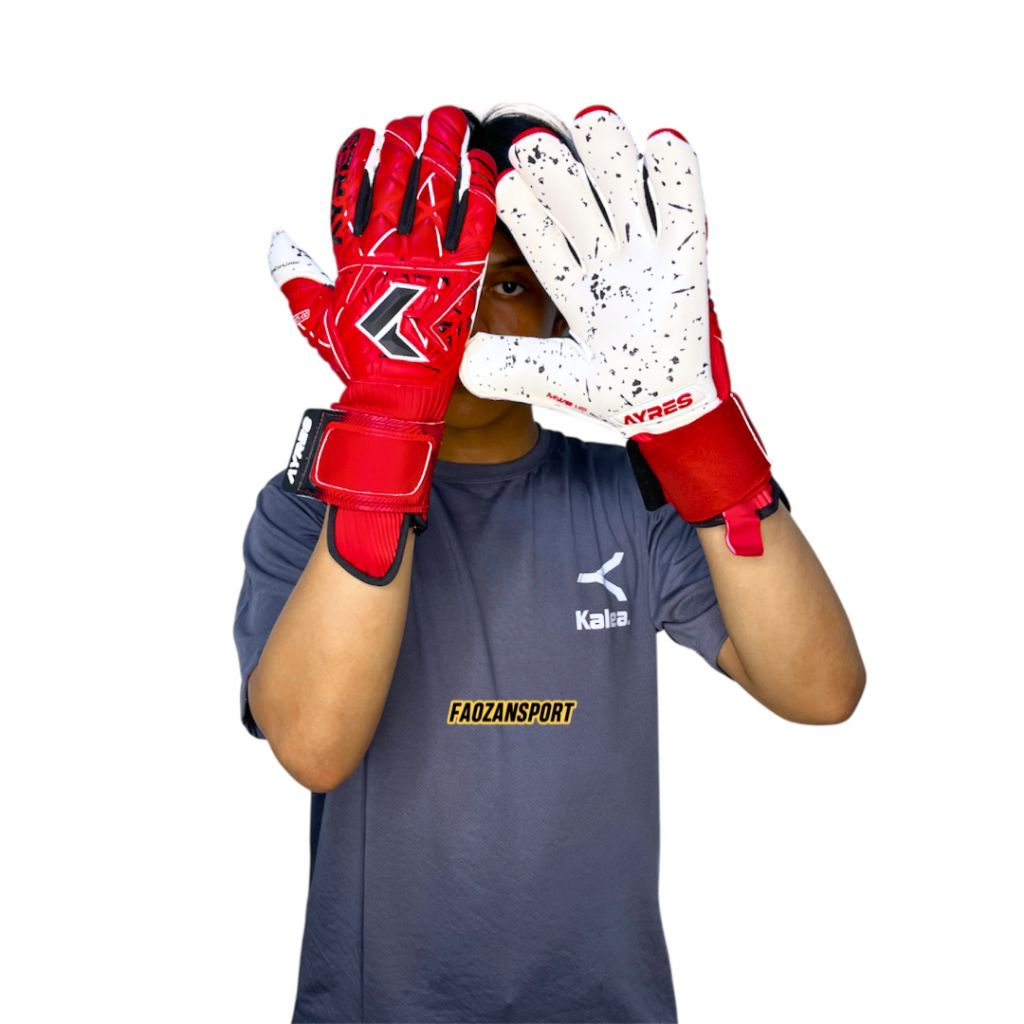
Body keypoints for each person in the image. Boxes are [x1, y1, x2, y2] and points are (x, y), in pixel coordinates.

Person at [234, 101, 866, 1024]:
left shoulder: (631, 497)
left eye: (508, 282)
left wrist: (698, 437)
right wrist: (386, 421)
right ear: (372, 302)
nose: (464, 322)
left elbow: (822, 689)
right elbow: (314, 747)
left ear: (567, 309)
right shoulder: (308, 506)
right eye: (437, 286)